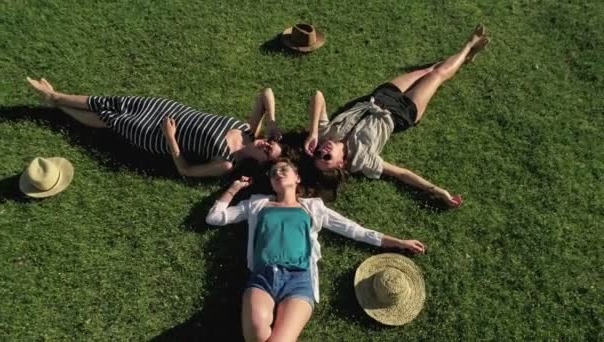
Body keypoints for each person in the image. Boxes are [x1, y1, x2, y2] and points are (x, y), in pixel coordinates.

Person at [206, 159, 425, 342]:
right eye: (273, 173)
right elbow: (215, 217)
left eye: (284, 169)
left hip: (299, 282)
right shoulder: (257, 205)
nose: (278, 173)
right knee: (256, 334)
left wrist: (398, 242)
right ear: (271, 183)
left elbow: (353, 230)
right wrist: (234, 188)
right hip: (262, 278)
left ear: (297, 178)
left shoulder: (313, 208)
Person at [304, 25, 491, 207]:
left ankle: (462, 57)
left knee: (426, 71)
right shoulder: (363, 161)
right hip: (402, 113)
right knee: (437, 74)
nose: (323, 150)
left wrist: (313, 132)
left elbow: (318, 95)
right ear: (341, 164)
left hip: (379, 96)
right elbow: (402, 174)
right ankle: (468, 47)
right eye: (326, 157)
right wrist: (439, 191)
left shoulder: (324, 133)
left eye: (319, 154)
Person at [27, 78, 283, 178]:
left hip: (155, 134)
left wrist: (171, 138)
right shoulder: (248, 129)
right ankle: (58, 96)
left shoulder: (228, 162)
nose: (267, 144)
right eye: (272, 143)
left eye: (268, 152)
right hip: (167, 108)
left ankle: (56, 106)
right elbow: (266, 93)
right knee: (113, 102)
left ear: (260, 164)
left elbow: (187, 170)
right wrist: (271, 121)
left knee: (109, 120)